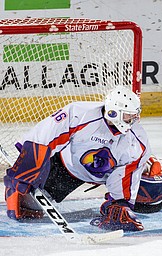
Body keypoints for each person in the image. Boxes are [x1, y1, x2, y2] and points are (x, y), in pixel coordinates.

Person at [4, 85, 151, 232]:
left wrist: (119, 203)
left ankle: (160, 173)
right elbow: (43, 137)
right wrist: (27, 167)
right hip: (64, 166)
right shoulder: (78, 113)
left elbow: (124, 175)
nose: (134, 119)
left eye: (134, 115)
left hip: (105, 177)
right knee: (22, 208)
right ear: (113, 113)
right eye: (128, 115)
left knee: (151, 198)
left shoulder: (138, 141)